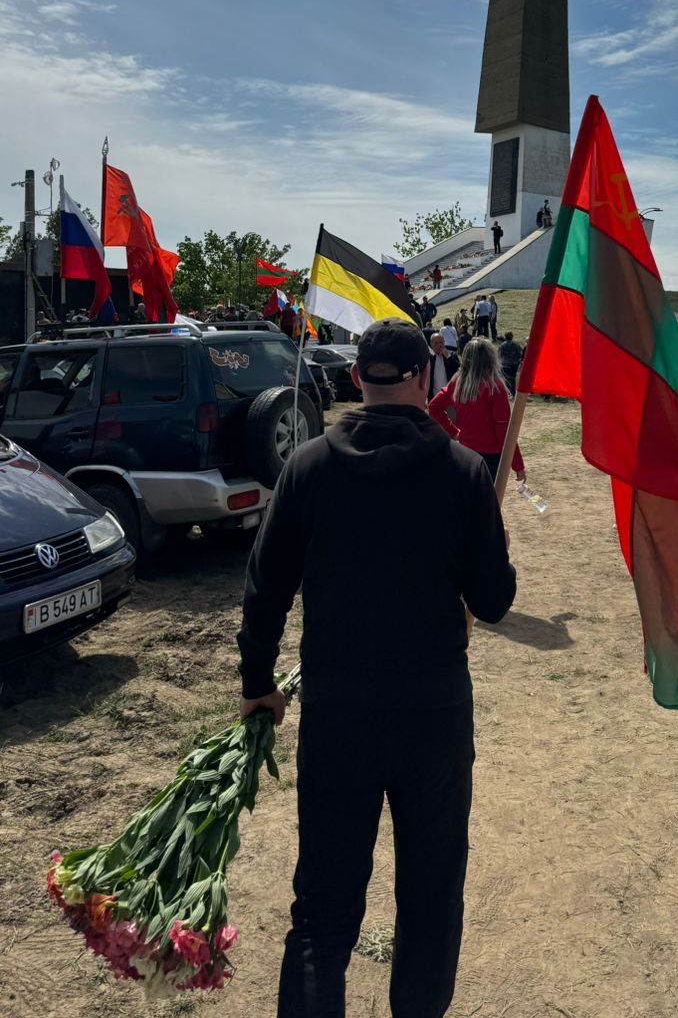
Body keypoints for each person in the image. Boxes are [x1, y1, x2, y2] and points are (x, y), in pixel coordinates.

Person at [237, 318, 516, 1018]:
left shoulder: (306, 468)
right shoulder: (462, 471)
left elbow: (264, 587)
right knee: (430, 898)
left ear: (358, 377)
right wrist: (490, 545)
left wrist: (257, 685)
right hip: (432, 716)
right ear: (427, 378)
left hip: (339, 716)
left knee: (323, 909)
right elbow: (495, 601)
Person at [429, 337, 527, 487]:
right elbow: (504, 431)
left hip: (465, 453)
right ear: (490, 358)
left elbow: (434, 406)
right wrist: (517, 465)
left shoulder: (457, 382)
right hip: (491, 458)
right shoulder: (495, 387)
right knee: (487, 503)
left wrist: (454, 432)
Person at [429, 333, 460, 399]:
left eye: (441, 342)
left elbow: (458, 370)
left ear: (444, 343)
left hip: (449, 396)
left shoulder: (451, 355)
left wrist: (448, 356)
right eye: (436, 343)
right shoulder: (429, 358)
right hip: (434, 396)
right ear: (431, 344)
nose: (439, 345)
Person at [499, 330, 523, 396]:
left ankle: (506, 393)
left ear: (505, 337)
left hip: (504, 364)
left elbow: (500, 355)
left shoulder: (502, 345)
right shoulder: (516, 344)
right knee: (513, 379)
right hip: (514, 365)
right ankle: (513, 393)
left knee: (504, 379)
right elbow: (519, 354)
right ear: (512, 337)